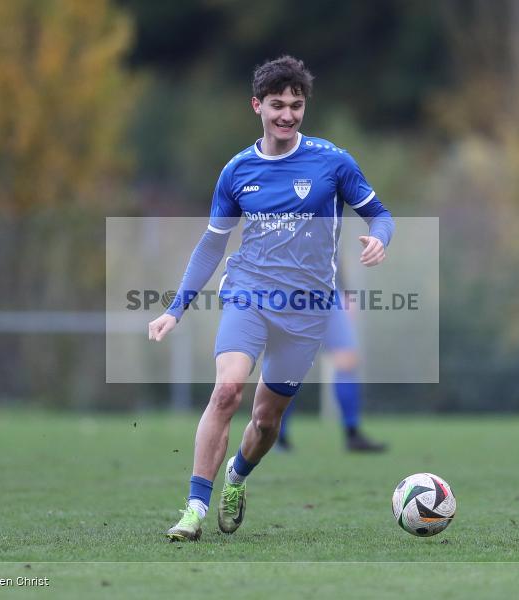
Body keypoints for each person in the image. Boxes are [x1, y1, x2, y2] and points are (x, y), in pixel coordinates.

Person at [148, 56, 394, 541]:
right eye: (277, 105)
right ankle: (194, 510)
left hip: (307, 310)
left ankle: (237, 476)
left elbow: (379, 214)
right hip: (249, 295)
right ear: (256, 106)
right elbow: (212, 244)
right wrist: (176, 308)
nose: (287, 115)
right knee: (227, 391)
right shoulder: (237, 170)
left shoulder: (333, 162)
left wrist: (380, 239)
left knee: (265, 421)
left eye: (296, 105)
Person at [276, 289, 386, 453]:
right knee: (290, 369)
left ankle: (352, 434)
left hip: (329, 296)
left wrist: (346, 294)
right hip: (293, 295)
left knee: (347, 361)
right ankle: (277, 436)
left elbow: (337, 269)